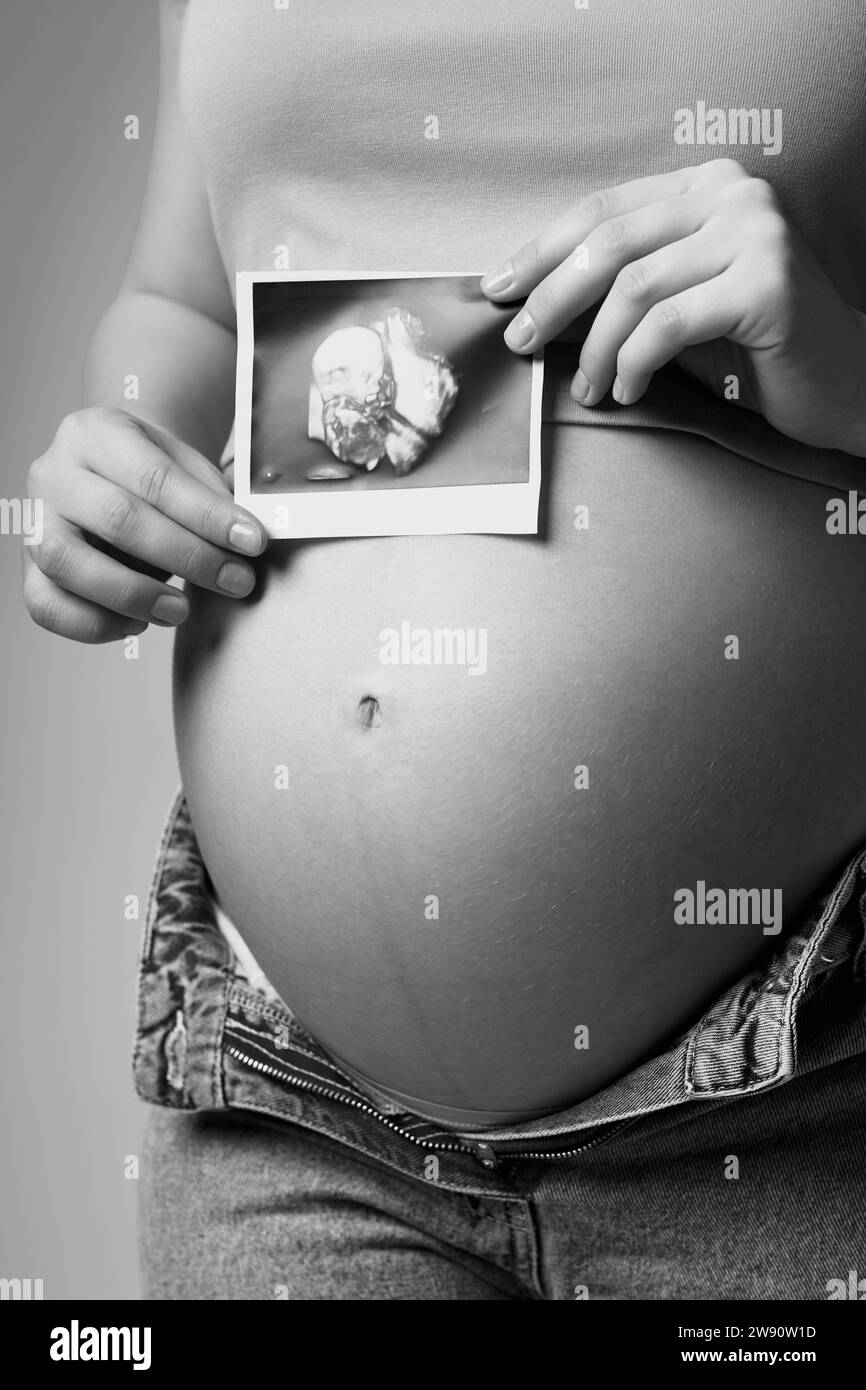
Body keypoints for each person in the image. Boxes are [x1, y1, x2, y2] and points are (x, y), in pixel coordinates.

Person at [24, 0, 866, 1299]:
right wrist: (124, 446)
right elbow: (183, 302)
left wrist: (847, 361)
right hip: (285, 1107)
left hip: (794, 1105)